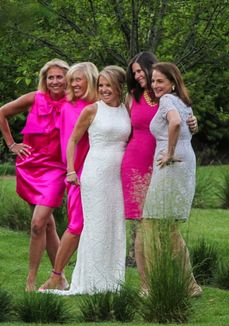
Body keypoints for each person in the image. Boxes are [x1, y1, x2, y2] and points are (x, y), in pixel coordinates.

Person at [51, 65, 131, 295]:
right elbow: (73, 141)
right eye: (101, 85)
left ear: (119, 87)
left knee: (115, 226)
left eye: (109, 85)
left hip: (118, 176)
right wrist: (71, 170)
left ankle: (112, 282)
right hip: (95, 173)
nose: (104, 90)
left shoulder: (127, 110)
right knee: (95, 225)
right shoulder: (92, 110)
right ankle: (90, 282)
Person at [121, 51, 198, 288]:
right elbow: (123, 129)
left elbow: (180, 123)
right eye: (133, 73)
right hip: (137, 163)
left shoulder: (166, 96)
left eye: (139, 71)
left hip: (164, 164)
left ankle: (180, 283)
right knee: (143, 227)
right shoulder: (132, 97)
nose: (138, 76)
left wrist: (194, 124)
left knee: (165, 228)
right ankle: (147, 285)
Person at [0, 58, 69, 291]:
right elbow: (2, 113)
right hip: (30, 167)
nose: (55, 81)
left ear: (67, 78)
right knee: (47, 226)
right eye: (51, 77)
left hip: (57, 169)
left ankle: (30, 281)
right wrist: (12, 145)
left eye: (59, 76)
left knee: (38, 224)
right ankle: (59, 278)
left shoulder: (74, 102)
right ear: (45, 80)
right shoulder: (34, 98)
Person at [142, 62, 202, 296]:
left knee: (156, 223)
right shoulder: (183, 102)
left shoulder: (167, 100)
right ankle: (186, 283)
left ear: (172, 83)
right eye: (154, 80)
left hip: (171, 164)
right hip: (184, 162)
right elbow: (188, 126)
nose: (156, 85)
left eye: (160, 81)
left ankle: (187, 284)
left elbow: (176, 123)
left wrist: (169, 151)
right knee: (167, 226)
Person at [39, 62, 99, 290]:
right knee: (76, 225)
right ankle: (57, 275)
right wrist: (70, 170)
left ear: (90, 80)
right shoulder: (67, 106)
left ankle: (91, 276)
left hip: (99, 171)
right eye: (71, 79)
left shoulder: (100, 105)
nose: (73, 83)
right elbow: (68, 141)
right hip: (77, 174)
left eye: (78, 79)